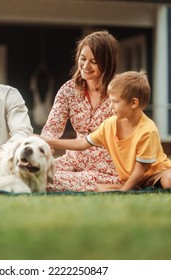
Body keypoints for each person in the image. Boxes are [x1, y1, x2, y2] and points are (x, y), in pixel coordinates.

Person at [41, 70, 171, 192]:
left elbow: (142, 170)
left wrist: (125, 191)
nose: (110, 105)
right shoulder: (109, 124)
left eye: (115, 101)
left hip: (155, 173)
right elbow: (82, 143)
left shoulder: (147, 131)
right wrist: (48, 141)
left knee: (170, 183)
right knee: (99, 189)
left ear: (134, 103)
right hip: (133, 178)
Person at [40, 30, 120, 192]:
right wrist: (44, 146)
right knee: (30, 173)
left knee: (47, 182)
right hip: (74, 160)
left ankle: (111, 186)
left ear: (107, 62)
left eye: (94, 61)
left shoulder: (119, 91)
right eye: (83, 59)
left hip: (106, 167)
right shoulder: (69, 89)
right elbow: (51, 129)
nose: (85, 66)